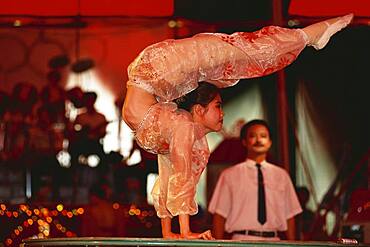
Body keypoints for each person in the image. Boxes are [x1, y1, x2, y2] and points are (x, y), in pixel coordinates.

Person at [121, 14, 353, 239]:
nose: (223, 114)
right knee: (240, 52)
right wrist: (181, 232)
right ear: (200, 111)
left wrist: (172, 232)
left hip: (157, 70)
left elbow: (173, 176)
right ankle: (306, 36)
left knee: (240, 53)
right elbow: (178, 177)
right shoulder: (182, 126)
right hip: (158, 69)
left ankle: (306, 37)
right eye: (218, 107)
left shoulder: (180, 127)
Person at [208, 119, 302, 240]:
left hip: (274, 241)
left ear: (270, 142)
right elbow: (219, 215)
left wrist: (292, 244)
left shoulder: (282, 175)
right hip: (241, 240)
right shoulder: (229, 175)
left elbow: (290, 215)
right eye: (252, 136)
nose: (258, 140)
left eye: (263, 136)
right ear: (244, 142)